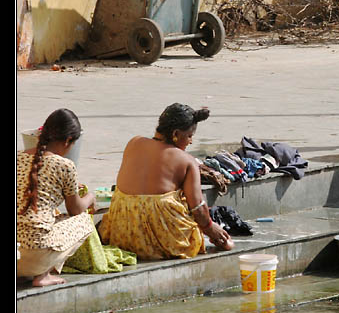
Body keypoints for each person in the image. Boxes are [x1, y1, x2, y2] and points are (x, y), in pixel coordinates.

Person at [98, 103, 233, 260]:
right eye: (189, 136)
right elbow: (198, 209)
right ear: (176, 133)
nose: (190, 142)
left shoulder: (133, 142)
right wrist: (213, 230)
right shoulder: (187, 161)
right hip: (164, 242)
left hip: (121, 235)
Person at [17, 108, 96, 286]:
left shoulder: (18, 157)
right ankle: (43, 275)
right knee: (83, 221)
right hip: (35, 255)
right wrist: (90, 197)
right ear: (68, 141)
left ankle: (28, 272)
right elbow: (75, 209)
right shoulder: (65, 165)